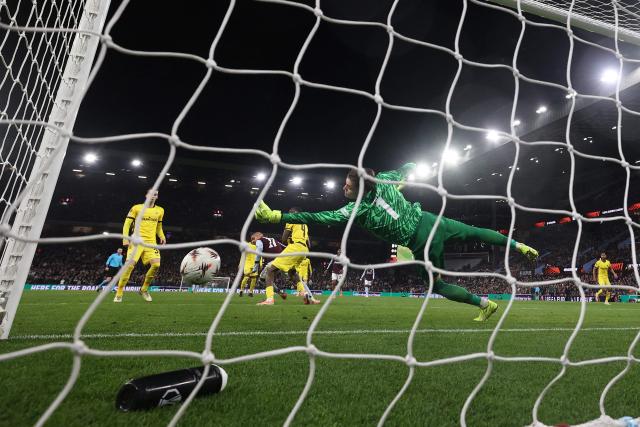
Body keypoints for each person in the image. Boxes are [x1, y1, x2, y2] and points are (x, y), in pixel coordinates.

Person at [255, 163, 539, 321]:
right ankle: (519, 245)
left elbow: (318, 216)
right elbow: (410, 165)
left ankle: (484, 304)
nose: (344, 187)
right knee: (475, 231)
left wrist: (278, 215)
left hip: (420, 243)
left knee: (437, 285)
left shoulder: (356, 209)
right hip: (431, 221)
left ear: (359, 189)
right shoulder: (385, 180)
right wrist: (404, 177)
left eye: (347, 185)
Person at [114, 189, 166, 303]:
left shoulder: (160, 210)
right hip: (136, 241)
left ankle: (144, 289)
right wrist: (125, 239)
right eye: (151, 193)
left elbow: (158, 227)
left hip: (151, 242)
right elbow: (127, 224)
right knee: (129, 266)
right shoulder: (136, 208)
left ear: (157, 197)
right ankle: (119, 292)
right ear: (146, 195)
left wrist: (162, 236)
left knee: (156, 265)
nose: (153, 196)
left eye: (156, 194)